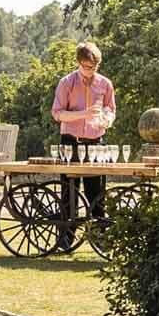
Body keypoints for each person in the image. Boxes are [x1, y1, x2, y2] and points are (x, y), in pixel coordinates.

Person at [49, 43, 116, 224]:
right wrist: (83, 114)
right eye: (87, 67)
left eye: (94, 67)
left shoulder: (105, 83)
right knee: (69, 192)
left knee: (97, 193)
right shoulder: (66, 83)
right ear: (79, 63)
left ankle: (99, 238)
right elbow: (57, 113)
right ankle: (66, 239)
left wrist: (107, 120)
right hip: (70, 141)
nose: (90, 70)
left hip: (95, 142)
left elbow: (110, 109)